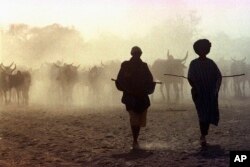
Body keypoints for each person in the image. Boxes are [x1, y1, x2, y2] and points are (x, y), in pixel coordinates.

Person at [115, 46, 156, 149]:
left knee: (139, 120)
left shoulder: (144, 66)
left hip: (141, 96)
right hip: (130, 96)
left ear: (140, 54)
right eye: (135, 54)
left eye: (138, 54)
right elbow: (120, 80)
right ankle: (135, 141)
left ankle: (135, 140)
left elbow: (149, 79)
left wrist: (148, 86)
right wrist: (129, 89)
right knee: (134, 119)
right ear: (132, 54)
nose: (137, 55)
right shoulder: (125, 66)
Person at [188, 39, 222, 147]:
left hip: (210, 94)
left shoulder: (210, 63)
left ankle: (203, 134)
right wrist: (197, 87)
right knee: (202, 114)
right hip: (199, 94)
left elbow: (218, 76)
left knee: (207, 113)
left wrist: (215, 89)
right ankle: (203, 135)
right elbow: (190, 78)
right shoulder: (194, 64)